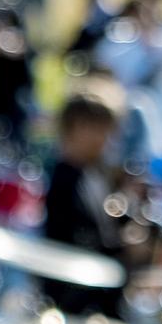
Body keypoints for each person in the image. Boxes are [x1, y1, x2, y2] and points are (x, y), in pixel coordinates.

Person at [42, 88, 130, 311]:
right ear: (77, 128)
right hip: (75, 300)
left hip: (103, 293)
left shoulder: (94, 174)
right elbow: (70, 241)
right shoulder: (61, 181)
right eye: (98, 129)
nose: (104, 139)